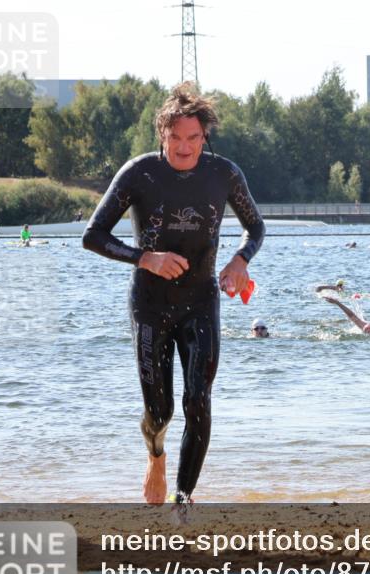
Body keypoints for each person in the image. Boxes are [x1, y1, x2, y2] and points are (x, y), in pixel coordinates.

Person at [82, 83, 265, 512]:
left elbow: (255, 227)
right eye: (175, 138)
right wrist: (145, 258)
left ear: (205, 136)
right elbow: (93, 235)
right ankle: (156, 456)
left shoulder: (224, 174)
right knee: (160, 412)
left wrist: (240, 260)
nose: (184, 147)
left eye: (193, 138)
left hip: (201, 301)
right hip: (150, 305)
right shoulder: (139, 173)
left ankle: (183, 503)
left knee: (198, 400)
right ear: (162, 134)